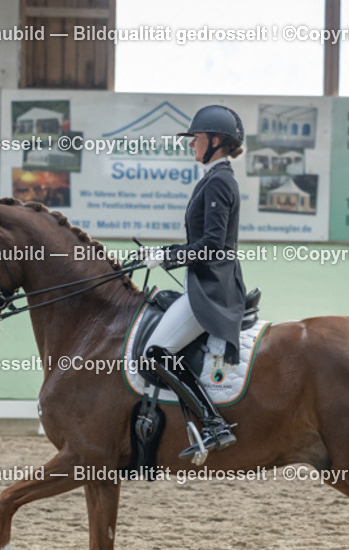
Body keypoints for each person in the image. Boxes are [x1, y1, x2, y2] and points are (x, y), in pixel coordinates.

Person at [141, 105, 247, 460]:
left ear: (216, 141)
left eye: (196, 139)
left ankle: (213, 423)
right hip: (206, 281)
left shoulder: (219, 180)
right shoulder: (214, 178)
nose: (191, 145)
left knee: (155, 353)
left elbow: (213, 246)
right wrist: (165, 252)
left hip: (212, 289)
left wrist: (168, 257)